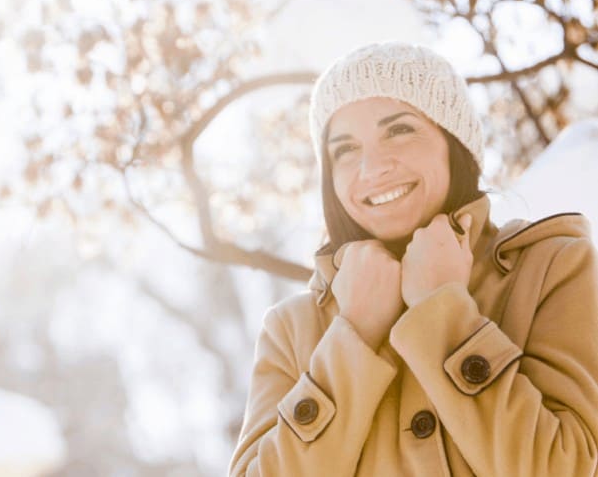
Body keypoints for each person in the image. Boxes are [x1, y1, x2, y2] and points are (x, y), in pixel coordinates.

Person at [228, 41, 598, 476]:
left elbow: (563, 468)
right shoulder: (292, 330)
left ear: (454, 143)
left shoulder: (552, 268)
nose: (372, 167)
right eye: (345, 150)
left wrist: (442, 310)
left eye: (399, 130)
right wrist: (354, 336)